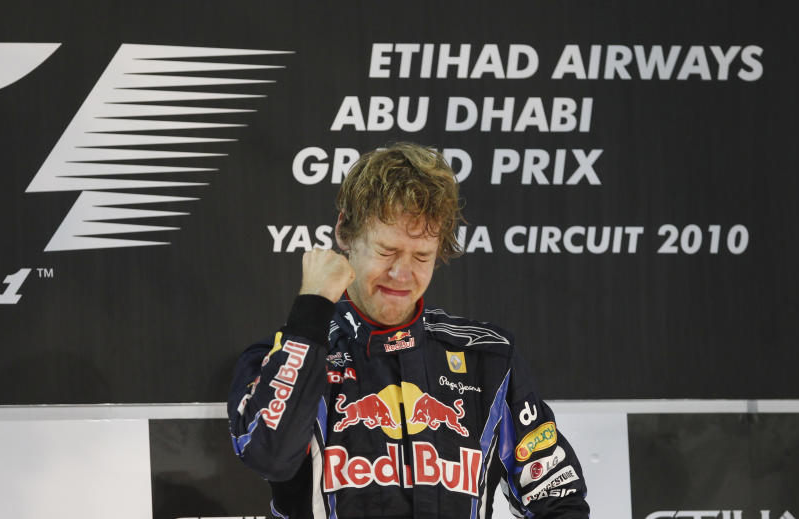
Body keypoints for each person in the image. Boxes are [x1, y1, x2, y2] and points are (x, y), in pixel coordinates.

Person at [228, 143, 589, 518]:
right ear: (345, 233)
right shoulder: (291, 354)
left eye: (421, 257)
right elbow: (267, 454)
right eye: (386, 251)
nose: (402, 275)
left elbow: (559, 497)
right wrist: (312, 309)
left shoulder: (488, 358)